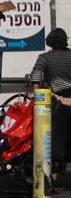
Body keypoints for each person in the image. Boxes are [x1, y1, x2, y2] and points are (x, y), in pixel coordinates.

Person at [29, 28, 71, 175]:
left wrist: (36, 93)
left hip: (57, 100)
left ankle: (54, 170)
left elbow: (36, 76)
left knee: (56, 135)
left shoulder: (45, 57)